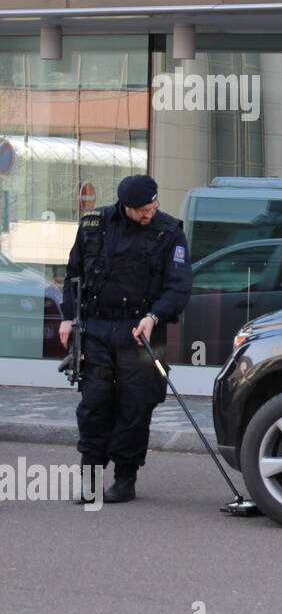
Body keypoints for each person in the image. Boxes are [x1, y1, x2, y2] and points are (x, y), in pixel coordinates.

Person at [59, 175, 192, 504]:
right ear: (126, 207)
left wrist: (155, 316)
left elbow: (179, 286)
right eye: (143, 210)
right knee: (94, 404)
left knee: (136, 404)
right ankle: (91, 479)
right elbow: (74, 272)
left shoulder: (169, 231)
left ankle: (125, 477)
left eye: (153, 206)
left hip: (141, 330)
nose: (149, 214)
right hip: (97, 328)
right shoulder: (94, 224)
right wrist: (67, 317)